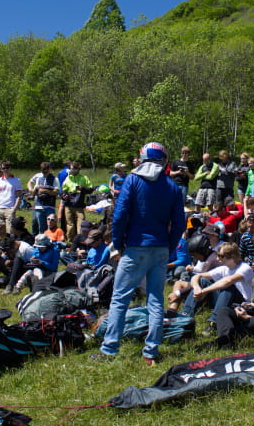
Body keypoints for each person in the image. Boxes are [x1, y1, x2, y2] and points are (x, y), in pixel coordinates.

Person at [96, 142, 185, 364]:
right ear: (164, 160)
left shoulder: (132, 180)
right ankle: (151, 351)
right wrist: (170, 246)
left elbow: (119, 215)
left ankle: (109, 349)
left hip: (135, 247)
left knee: (120, 299)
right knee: (155, 300)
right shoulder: (172, 186)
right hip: (160, 248)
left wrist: (118, 243)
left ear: (143, 157)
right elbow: (180, 223)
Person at [181, 242, 254, 335]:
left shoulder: (245, 268)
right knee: (203, 281)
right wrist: (197, 288)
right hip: (227, 301)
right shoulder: (224, 268)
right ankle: (185, 316)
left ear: (230, 257)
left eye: (220, 256)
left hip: (242, 303)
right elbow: (197, 276)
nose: (217, 258)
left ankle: (214, 323)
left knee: (229, 287)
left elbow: (228, 281)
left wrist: (204, 291)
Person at [60, 161, 93, 243]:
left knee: (81, 223)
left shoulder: (84, 178)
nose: (72, 170)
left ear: (78, 169)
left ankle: (80, 240)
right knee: (70, 224)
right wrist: (64, 195)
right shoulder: (68, 178)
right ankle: (70, 240)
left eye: (74, 169)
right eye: (71, 169)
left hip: (79, 205)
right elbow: (63, 190)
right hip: (69, 204)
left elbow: (90, 189)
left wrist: (82, 188)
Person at [27, 161, 59, 235]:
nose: (44, 173)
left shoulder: (54, 179)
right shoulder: (37, 176)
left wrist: (46, 191)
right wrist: (31, 189)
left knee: (50, 225)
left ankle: (50, 240)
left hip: (49, 205)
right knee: (39, 225)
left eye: (46, 171)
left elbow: (56, 192)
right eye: (42, 171)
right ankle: (37, 240)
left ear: (50, 169)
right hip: (38, 205)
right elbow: (30, 182)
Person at [0, 160, 23, 230]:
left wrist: (14, 208)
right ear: (1, 169)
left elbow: (19, 196)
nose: (5, 170)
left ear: (10, 168)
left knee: (10, 231)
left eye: (7, 168)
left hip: (10, 209)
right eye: (3, 168)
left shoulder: (16, 180)